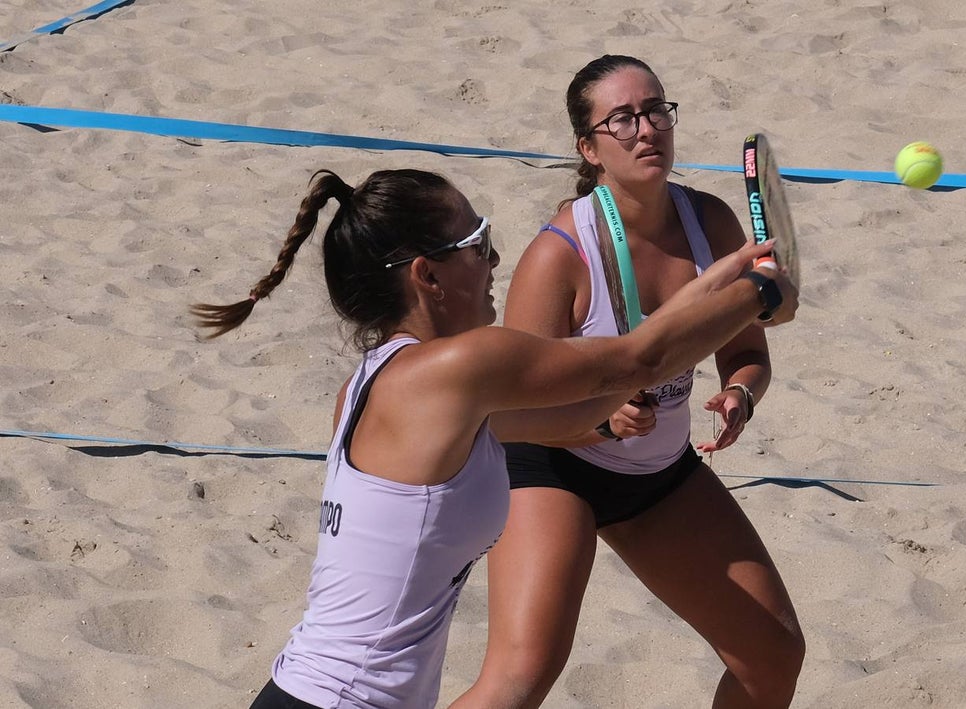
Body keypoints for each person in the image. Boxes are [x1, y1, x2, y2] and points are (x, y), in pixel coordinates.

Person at [191, 166, 793, 709]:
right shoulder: (460, 367)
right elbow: (637, 362)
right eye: (477, 243)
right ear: (428, 275)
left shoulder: (380, 383)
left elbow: (577, 411)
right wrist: (761, 292)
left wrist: (713, 285)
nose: (496, 259)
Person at [453, 56, 805, 709]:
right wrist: (600, 418)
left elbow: (749, 346)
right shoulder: (559, 254)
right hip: (552, 465)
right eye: (622, 118)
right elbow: (512, 410)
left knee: (773, 655)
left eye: (655, 110)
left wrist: (741, 394)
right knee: (521, 677)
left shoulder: (711, 223)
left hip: (658, 471)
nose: (647, 129)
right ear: (589, 147)